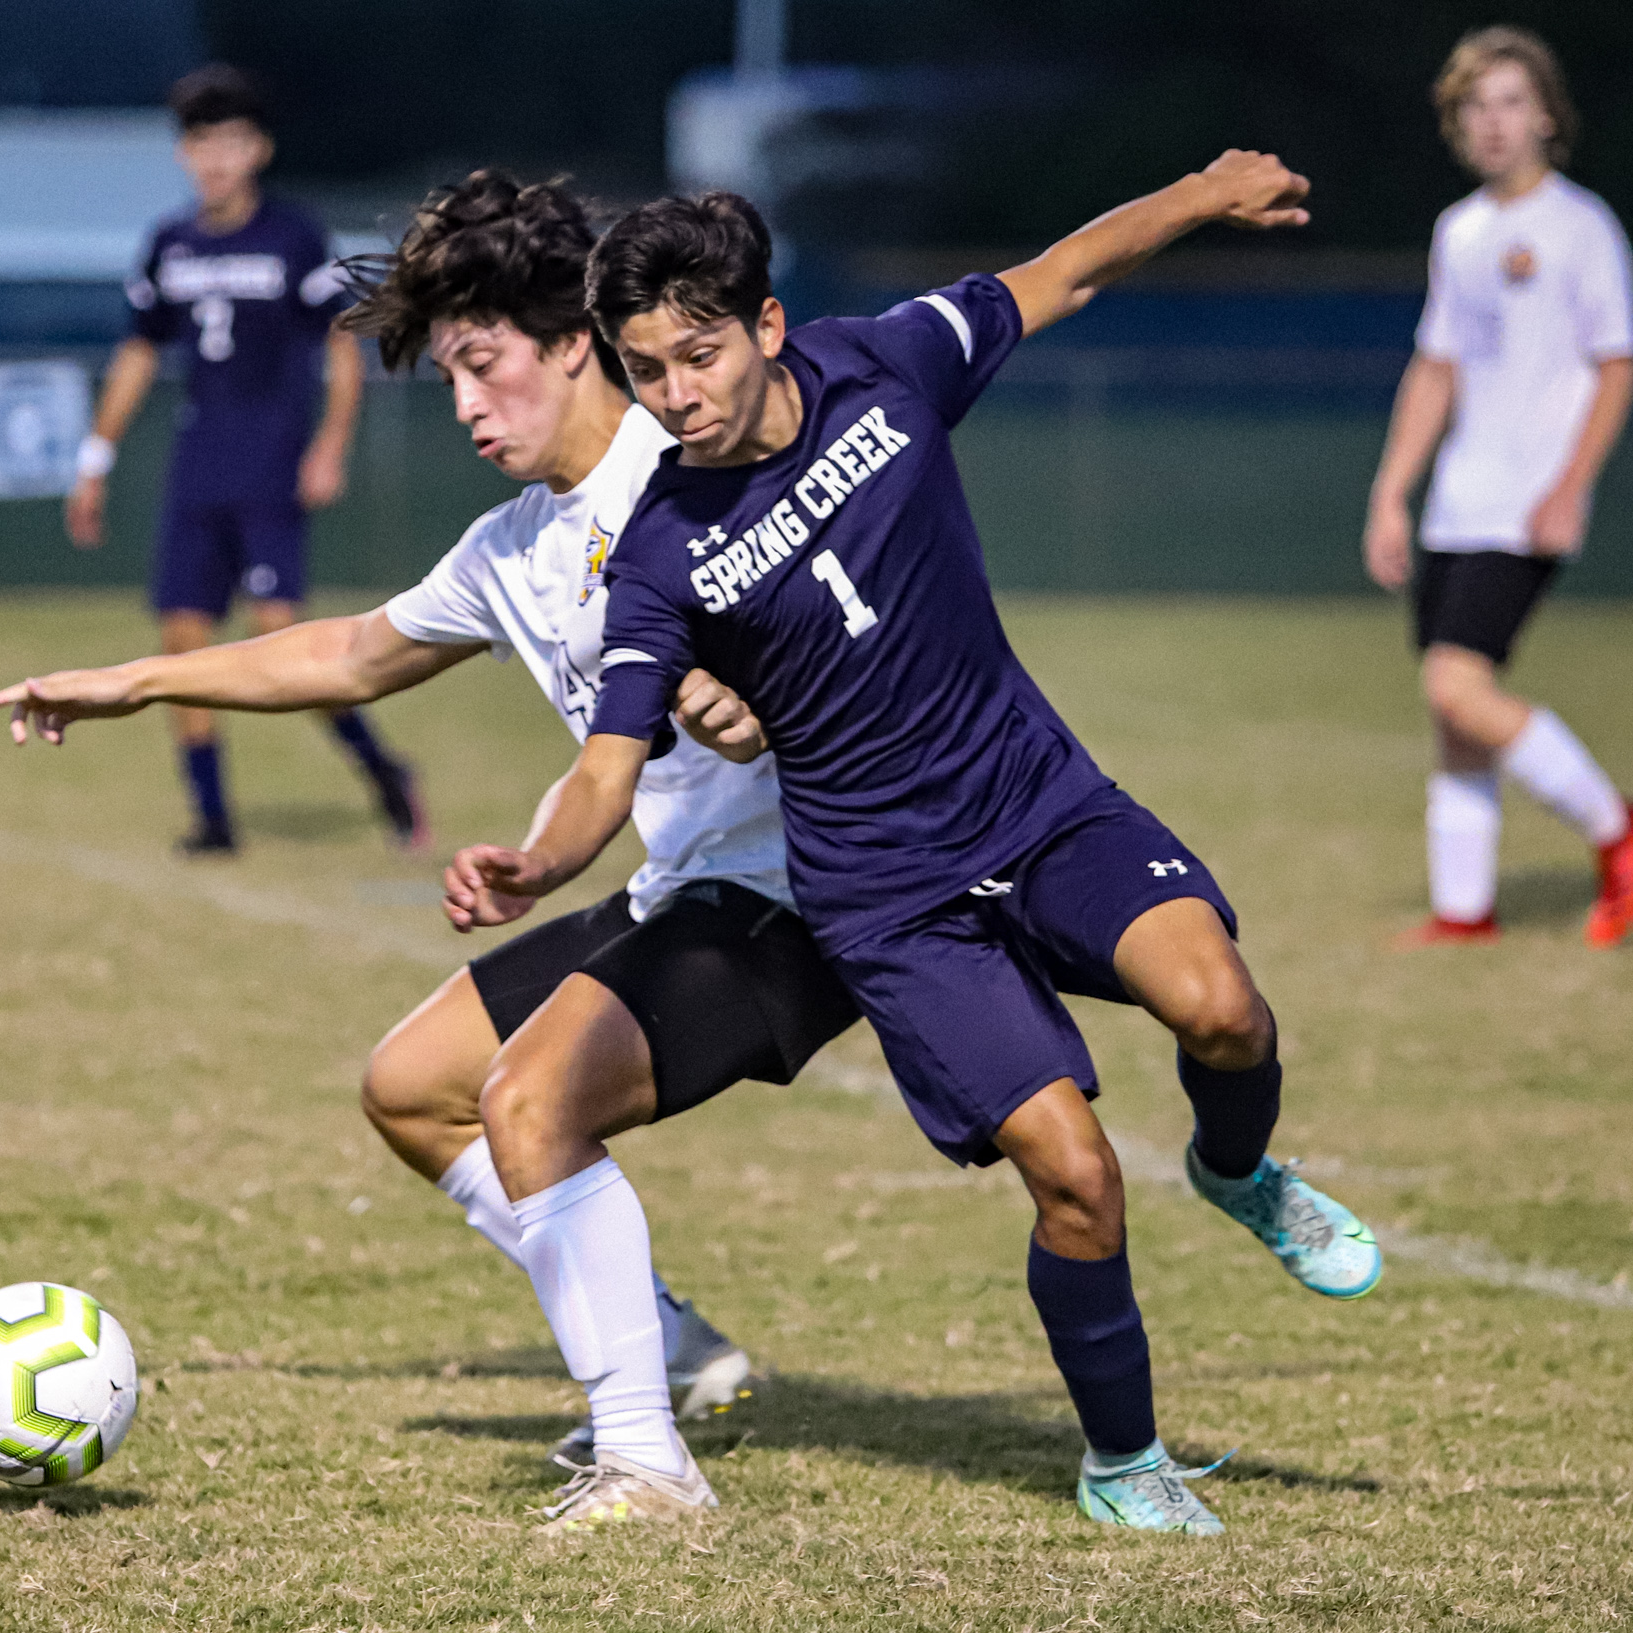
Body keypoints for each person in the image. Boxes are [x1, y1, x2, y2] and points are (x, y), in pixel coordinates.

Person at [442, 155, 1383, 1536]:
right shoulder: (656, 553)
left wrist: (1198, 195)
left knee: (1225, 1013)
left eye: (698, 354)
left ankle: (1239, 1169)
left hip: (1037, 802)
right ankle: (1126, 1459)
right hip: (889, 899)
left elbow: (1060, 273)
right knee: (1072, 1171)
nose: (676, 396)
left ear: (767, 326)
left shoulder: (887, 363)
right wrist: (539, 860)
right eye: (646, 372)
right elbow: (606, 761)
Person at [0, 170, 863, 1475]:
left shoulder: (697, 468)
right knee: (412, 1088)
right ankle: (667, 1347)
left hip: (812, 895)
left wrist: (761, 694)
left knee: (532, 1096)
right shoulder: (516, 547)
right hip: (688, 886)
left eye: (482, 365)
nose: (462, 406)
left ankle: (644, 1462)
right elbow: (347, 653)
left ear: (574, 344)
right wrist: (137, 679)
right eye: (445, 376)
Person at [66, 63, 424, 856]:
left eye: (230, 141)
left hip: (270, 466)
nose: (216, 158)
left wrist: (329, 446)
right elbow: (137, 353)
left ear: (257, 149)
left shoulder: (293, 237)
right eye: (200, 142)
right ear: (184, 154)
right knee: (183, 643)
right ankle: (213, 820)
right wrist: (95, 458)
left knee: (281, 638)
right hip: (198, 468)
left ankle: (385, 771)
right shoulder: (169, 242)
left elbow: (341, 345)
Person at [1364, 27, 1633, 948]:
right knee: (1452, 708)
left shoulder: (1582, 226)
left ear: (1545, 115)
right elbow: (1435, 368)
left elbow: (1617, 366)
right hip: (1461, 499)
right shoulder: (1460, 232)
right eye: (1474, 106)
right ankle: (1465, 910)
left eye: (1508, 101)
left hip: (1528, 499)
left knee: (1457, 685)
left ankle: (1621, 827)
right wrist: (1390, 491)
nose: (1492, 123)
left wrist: (1572, 483)